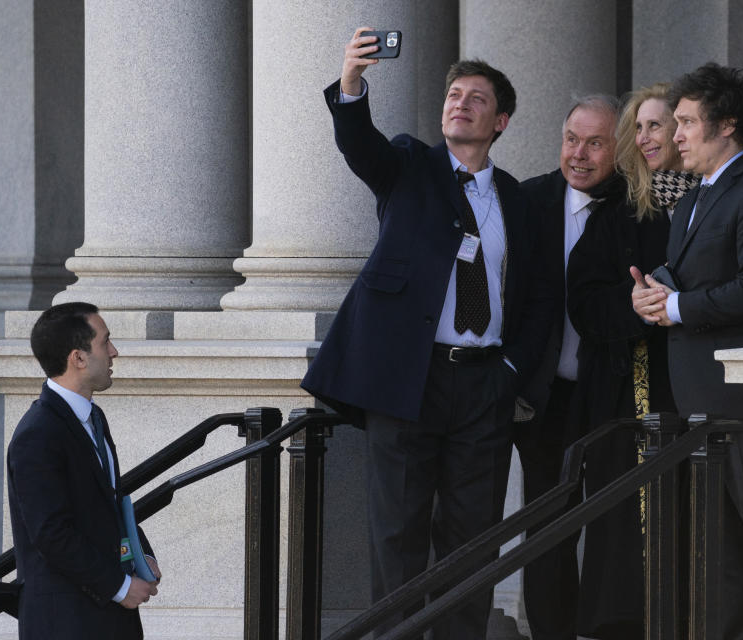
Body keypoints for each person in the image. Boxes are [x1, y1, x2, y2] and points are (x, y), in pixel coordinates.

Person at [300, 28, 553, 639]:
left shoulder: (519, 201)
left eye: (476, 99)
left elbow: (540, 295)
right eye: (453, 95)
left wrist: (511, 373)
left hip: (484, 383)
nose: (459, 103)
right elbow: (360, 144)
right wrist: (353, 81)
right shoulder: (409, 164)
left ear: (502, 122)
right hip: (406, 379)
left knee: (474, 537)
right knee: (398, 533)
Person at [630, 62, 743, 640]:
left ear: (726, 124)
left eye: (685, 122)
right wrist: (650, 292)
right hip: (699, 400)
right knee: (717, 552)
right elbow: (683, 273)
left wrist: (674, 308)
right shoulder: (696, 192)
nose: (675, 136)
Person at [563, 87, 681, 639]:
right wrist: (631, 305)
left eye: (659, 125)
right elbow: (584, 302)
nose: (648, 138)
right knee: (622, 538)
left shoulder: (719, 196)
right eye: (640, 128)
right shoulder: (617, 212)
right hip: (627, 396)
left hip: (702, 391)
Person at [515, 94, 623, 640]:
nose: (579, 154)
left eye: (596, 143)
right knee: (547, 526)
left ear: (620, 148)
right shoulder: (528, 200)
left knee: (614, 525)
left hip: (614, 395)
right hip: (546, 395)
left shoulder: (637, 204)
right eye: (571, 140)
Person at [7, 302, 161, 640]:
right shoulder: (38, 433)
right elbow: (51, 534)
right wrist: (120, 587)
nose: (114, 352)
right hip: (66, 620)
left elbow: (109, 500)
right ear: (78, 358)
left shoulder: (94, 418)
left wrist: (141, 555)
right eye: (105, 342)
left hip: (106, 616)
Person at [616, 82, 701, 219]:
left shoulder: (712, 190)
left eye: (654, 125)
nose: (642, 139)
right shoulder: (624, 208)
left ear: (679, 127)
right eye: (638, 128)